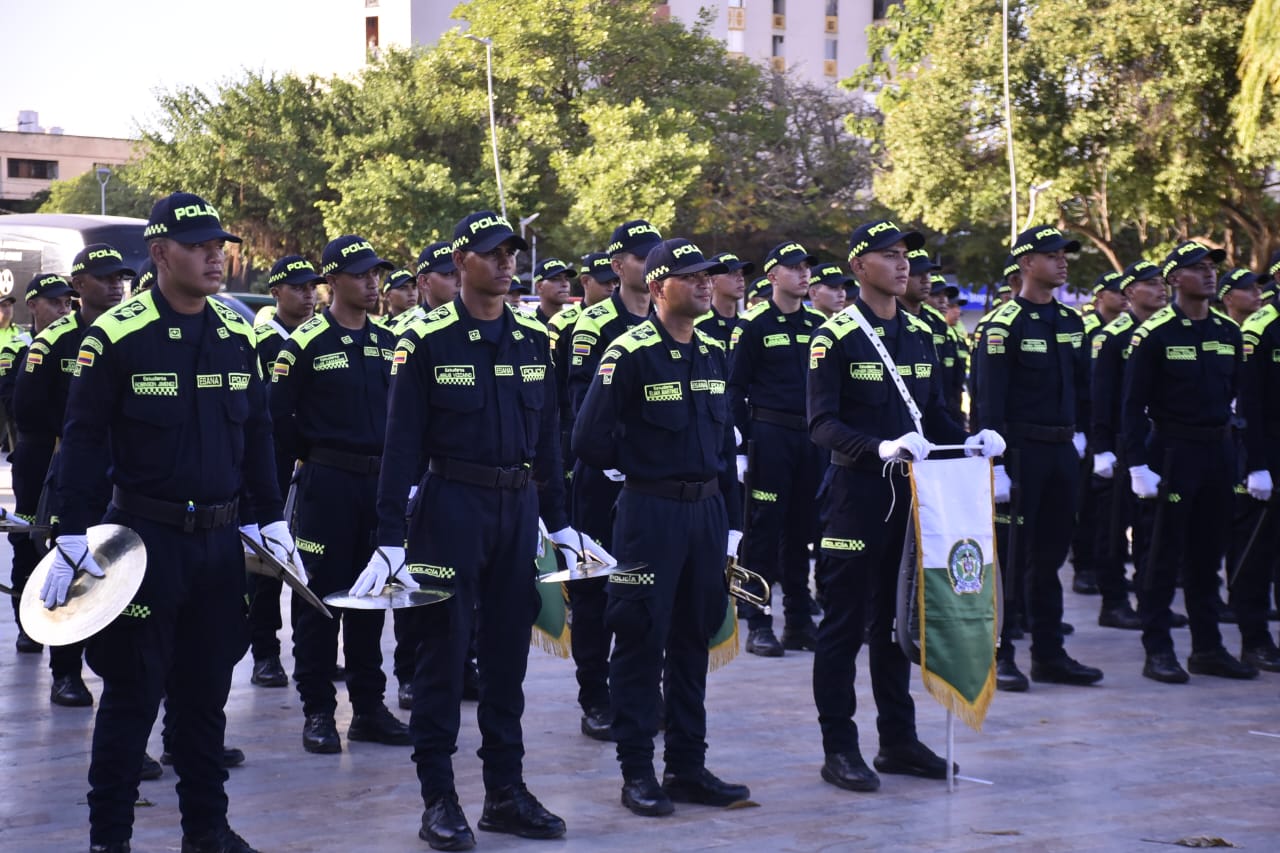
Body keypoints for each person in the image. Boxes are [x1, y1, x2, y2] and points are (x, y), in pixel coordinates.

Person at [44, 191, 298, 853]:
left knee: (206, 697)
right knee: (132, 698)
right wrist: (71, 533)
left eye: (220, 244)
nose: (216, 255)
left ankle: (206, 829)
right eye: (198, 244)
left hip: (219, 546)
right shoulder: (117, 336)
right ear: (160, 253)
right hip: (144, 545)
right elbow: (84, 439)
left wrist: (271, 518)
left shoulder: (239, 331)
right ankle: (111, 838)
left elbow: (260, 434)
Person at [356, 211, 573, 849]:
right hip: (451, 508)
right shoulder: (425, 341)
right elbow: (400, 447)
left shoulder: (534, 339)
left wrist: (561, 523)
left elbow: (550, 442)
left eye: (512, 251)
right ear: (460, 263)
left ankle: (505, 791)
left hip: (517, 512)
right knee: (442, 659)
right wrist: (389, 536)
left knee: (506, 660)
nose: (507, 262)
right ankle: (439, 798)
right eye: (492, 253)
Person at [807, 219, 992, 793]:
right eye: (888, 255)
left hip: (916, 500)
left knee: (896, 623)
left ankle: (898, 740)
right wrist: (877, 447)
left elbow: (934, 413)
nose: (903, 264)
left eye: (906, 255)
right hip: (856, 499)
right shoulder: (834, 337)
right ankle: (840, 748)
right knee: (843, 627)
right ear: (860, 268)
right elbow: (820, 423)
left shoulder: (920, 333)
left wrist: (973, 442)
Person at [574, 237, 748, 817]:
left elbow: (723, 444)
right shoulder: (629, 352)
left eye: (709, 276)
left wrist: (732, 522)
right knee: (641, 641)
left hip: (705, 514)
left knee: (694, 639)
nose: (705, 284)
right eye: (691, 276)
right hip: (650, 515)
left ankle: (688, 767)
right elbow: (588, 439)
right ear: (657, 286)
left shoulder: (711, 351)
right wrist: (639, 465)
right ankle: (637, 772)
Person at [269, 234, 411, 754]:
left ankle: (369, 708)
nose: (373, 282)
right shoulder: (303, 344)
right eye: (361, 274)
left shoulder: (390, 341)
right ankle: (318, 711)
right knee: (321, 603)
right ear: (332, 280)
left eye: (377, 273)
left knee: (372, 599)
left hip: (378, 487)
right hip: (326, 484)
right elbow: (278, 427)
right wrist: (273, 511)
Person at [973, 225, 1103, 692]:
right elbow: (988, 403)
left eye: (1064, 254)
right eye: (1052, 255)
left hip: (1062, 450)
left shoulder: (1072, 321)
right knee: (1010, 560)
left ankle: (1049, 654)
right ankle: (999, 654)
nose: (1063, 262)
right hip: (1021, 452)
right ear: (1028, 263)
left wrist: (1085, 437)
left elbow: (1084, 389)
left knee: (1049, 559)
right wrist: (997, 466)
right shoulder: (1001, 324)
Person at [1122, 241, 1258, 683]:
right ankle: (1158, 649)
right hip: (1173, 452)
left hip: (1218, 452)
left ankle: (1208, 648)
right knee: (1163, 555)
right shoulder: (1155, 333)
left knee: (1208, 555)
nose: (1209, 275)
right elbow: (1131, 406)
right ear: (1175, 279)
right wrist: (1137, 465)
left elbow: (1239, 400)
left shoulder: (1227, 332)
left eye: (1212, 268)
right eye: (1197, 269)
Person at [563, 218, 664, 741]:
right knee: (595, 589)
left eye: (655, 254)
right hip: (602, 477)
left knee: (650, 584)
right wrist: (612, 455)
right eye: (638, 255)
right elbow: (581, 403)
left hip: (653, 482)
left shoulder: (671, 319)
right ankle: (595, 695)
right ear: (617, 264)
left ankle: (646, 688)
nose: (648, 263)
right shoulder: (595, 322)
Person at [13, 249, 128, 706]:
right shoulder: (52, 341)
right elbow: (28, 410)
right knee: (62, 559)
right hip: (63, 460)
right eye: (105, 278)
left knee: (119, 565)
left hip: (122, 467)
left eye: (122, 277)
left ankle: (128, 669)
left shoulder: (129, 332)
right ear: (80, 285)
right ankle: (66, 671)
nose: (117, 285)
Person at [729, 240, 824, 656]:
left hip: (810, 440)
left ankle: (800, 622)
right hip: (769, 436)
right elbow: (735, 390)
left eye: (806, 267)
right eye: (793, 267)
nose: (803, 274)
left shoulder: (818, 324)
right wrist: (740, 447)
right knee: (763, 531)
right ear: (772, 277)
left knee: (802, 532)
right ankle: (757, 621)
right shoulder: (753, 325)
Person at [244, 255, 322, 689]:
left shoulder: (318, 334)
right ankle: (266, 653)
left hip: (313, 463)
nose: (309, 294)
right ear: (276, 292)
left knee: (315, 561)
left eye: (313, 286)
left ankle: (317, 652)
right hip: (271, 461)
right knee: (268, 564)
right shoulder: (260, 339)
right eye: (299, 287)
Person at [1088, 260, 1165, 631]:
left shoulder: (1161, 331)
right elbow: (1101, 396)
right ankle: (1114, 602)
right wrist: (1101, 446)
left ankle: (1150, 599)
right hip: (1118, 442)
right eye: (1150, 284)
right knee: (1114, 530)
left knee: (1152, 527)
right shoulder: (1114, 335)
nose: (1160, 289)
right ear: (1130, 292)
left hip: (1154, 440)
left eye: (1162, 282)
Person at [6, 273, 76, 655]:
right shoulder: (24, 350)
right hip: (35, 456)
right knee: (29, 536)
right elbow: (21, 407)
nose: (64, 308)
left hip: (75, 456)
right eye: (55, 302)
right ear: (33, 305)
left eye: (68, 301)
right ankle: (26, 623)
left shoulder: (83, 343)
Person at [1070, 271, 1130, 597]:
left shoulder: (1129, 331)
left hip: (1119, 426)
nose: (1122, 296)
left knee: (1117, 507)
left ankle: (1114, 564)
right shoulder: (1088, 329)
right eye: (1115, 291)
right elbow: (1084, 385)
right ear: (1099, 295)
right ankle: (1084, 567)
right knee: (1089, 503)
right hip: (1091, 429)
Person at [1235, 271, 1280, 670]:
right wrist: (1257, 465)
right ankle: (1254, 640)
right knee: (1258, 555)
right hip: (1269, 456)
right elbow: (1247, 404)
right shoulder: (1260, 327)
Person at [697, 252, 753, 347]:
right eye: (732, 273)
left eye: (741, 273)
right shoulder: (699, 325)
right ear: (712, 281)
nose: (741, 278)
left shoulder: (748, 324)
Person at [532, 257, 575, 325]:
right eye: (556, 279)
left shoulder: (577, 323)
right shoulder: (528, 325)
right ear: (539, 286)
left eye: (567, 279)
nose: (565, 284)